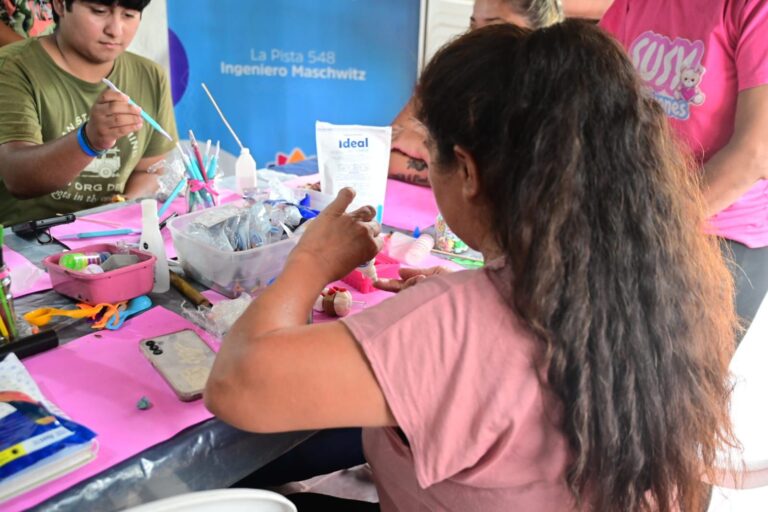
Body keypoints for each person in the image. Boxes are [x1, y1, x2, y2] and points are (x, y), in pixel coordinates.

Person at [206, 21, 737, 511]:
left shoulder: (456, 324)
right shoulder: (665, 295)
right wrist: (446, 314)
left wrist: (311, 259)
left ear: (466, 169)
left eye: (427, 154)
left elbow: (235, 385)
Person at [565, 0, 768, 331]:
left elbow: (756, 151)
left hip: (716, 238)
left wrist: (647, 223)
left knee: (666, 376)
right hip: (632, 224)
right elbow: (597, 99)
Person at [0, 0, 177, 226]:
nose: (115, 30)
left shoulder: (149, 75)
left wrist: (122, 207)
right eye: (99, 12)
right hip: (28, 240)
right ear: (60, 5)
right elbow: (18, 180)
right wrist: (89, 140)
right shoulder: (12, 67)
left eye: (129, 15)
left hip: (108, 237)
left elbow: (149, 171)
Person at [388, 0, 563, 186]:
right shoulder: (451, 73)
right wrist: (451, 165)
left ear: (539, 30)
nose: (476, 38)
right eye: (473, 25)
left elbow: (509, 184)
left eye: (493, 26)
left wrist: (427, 147)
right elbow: (385, 155)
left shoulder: (551, 97)